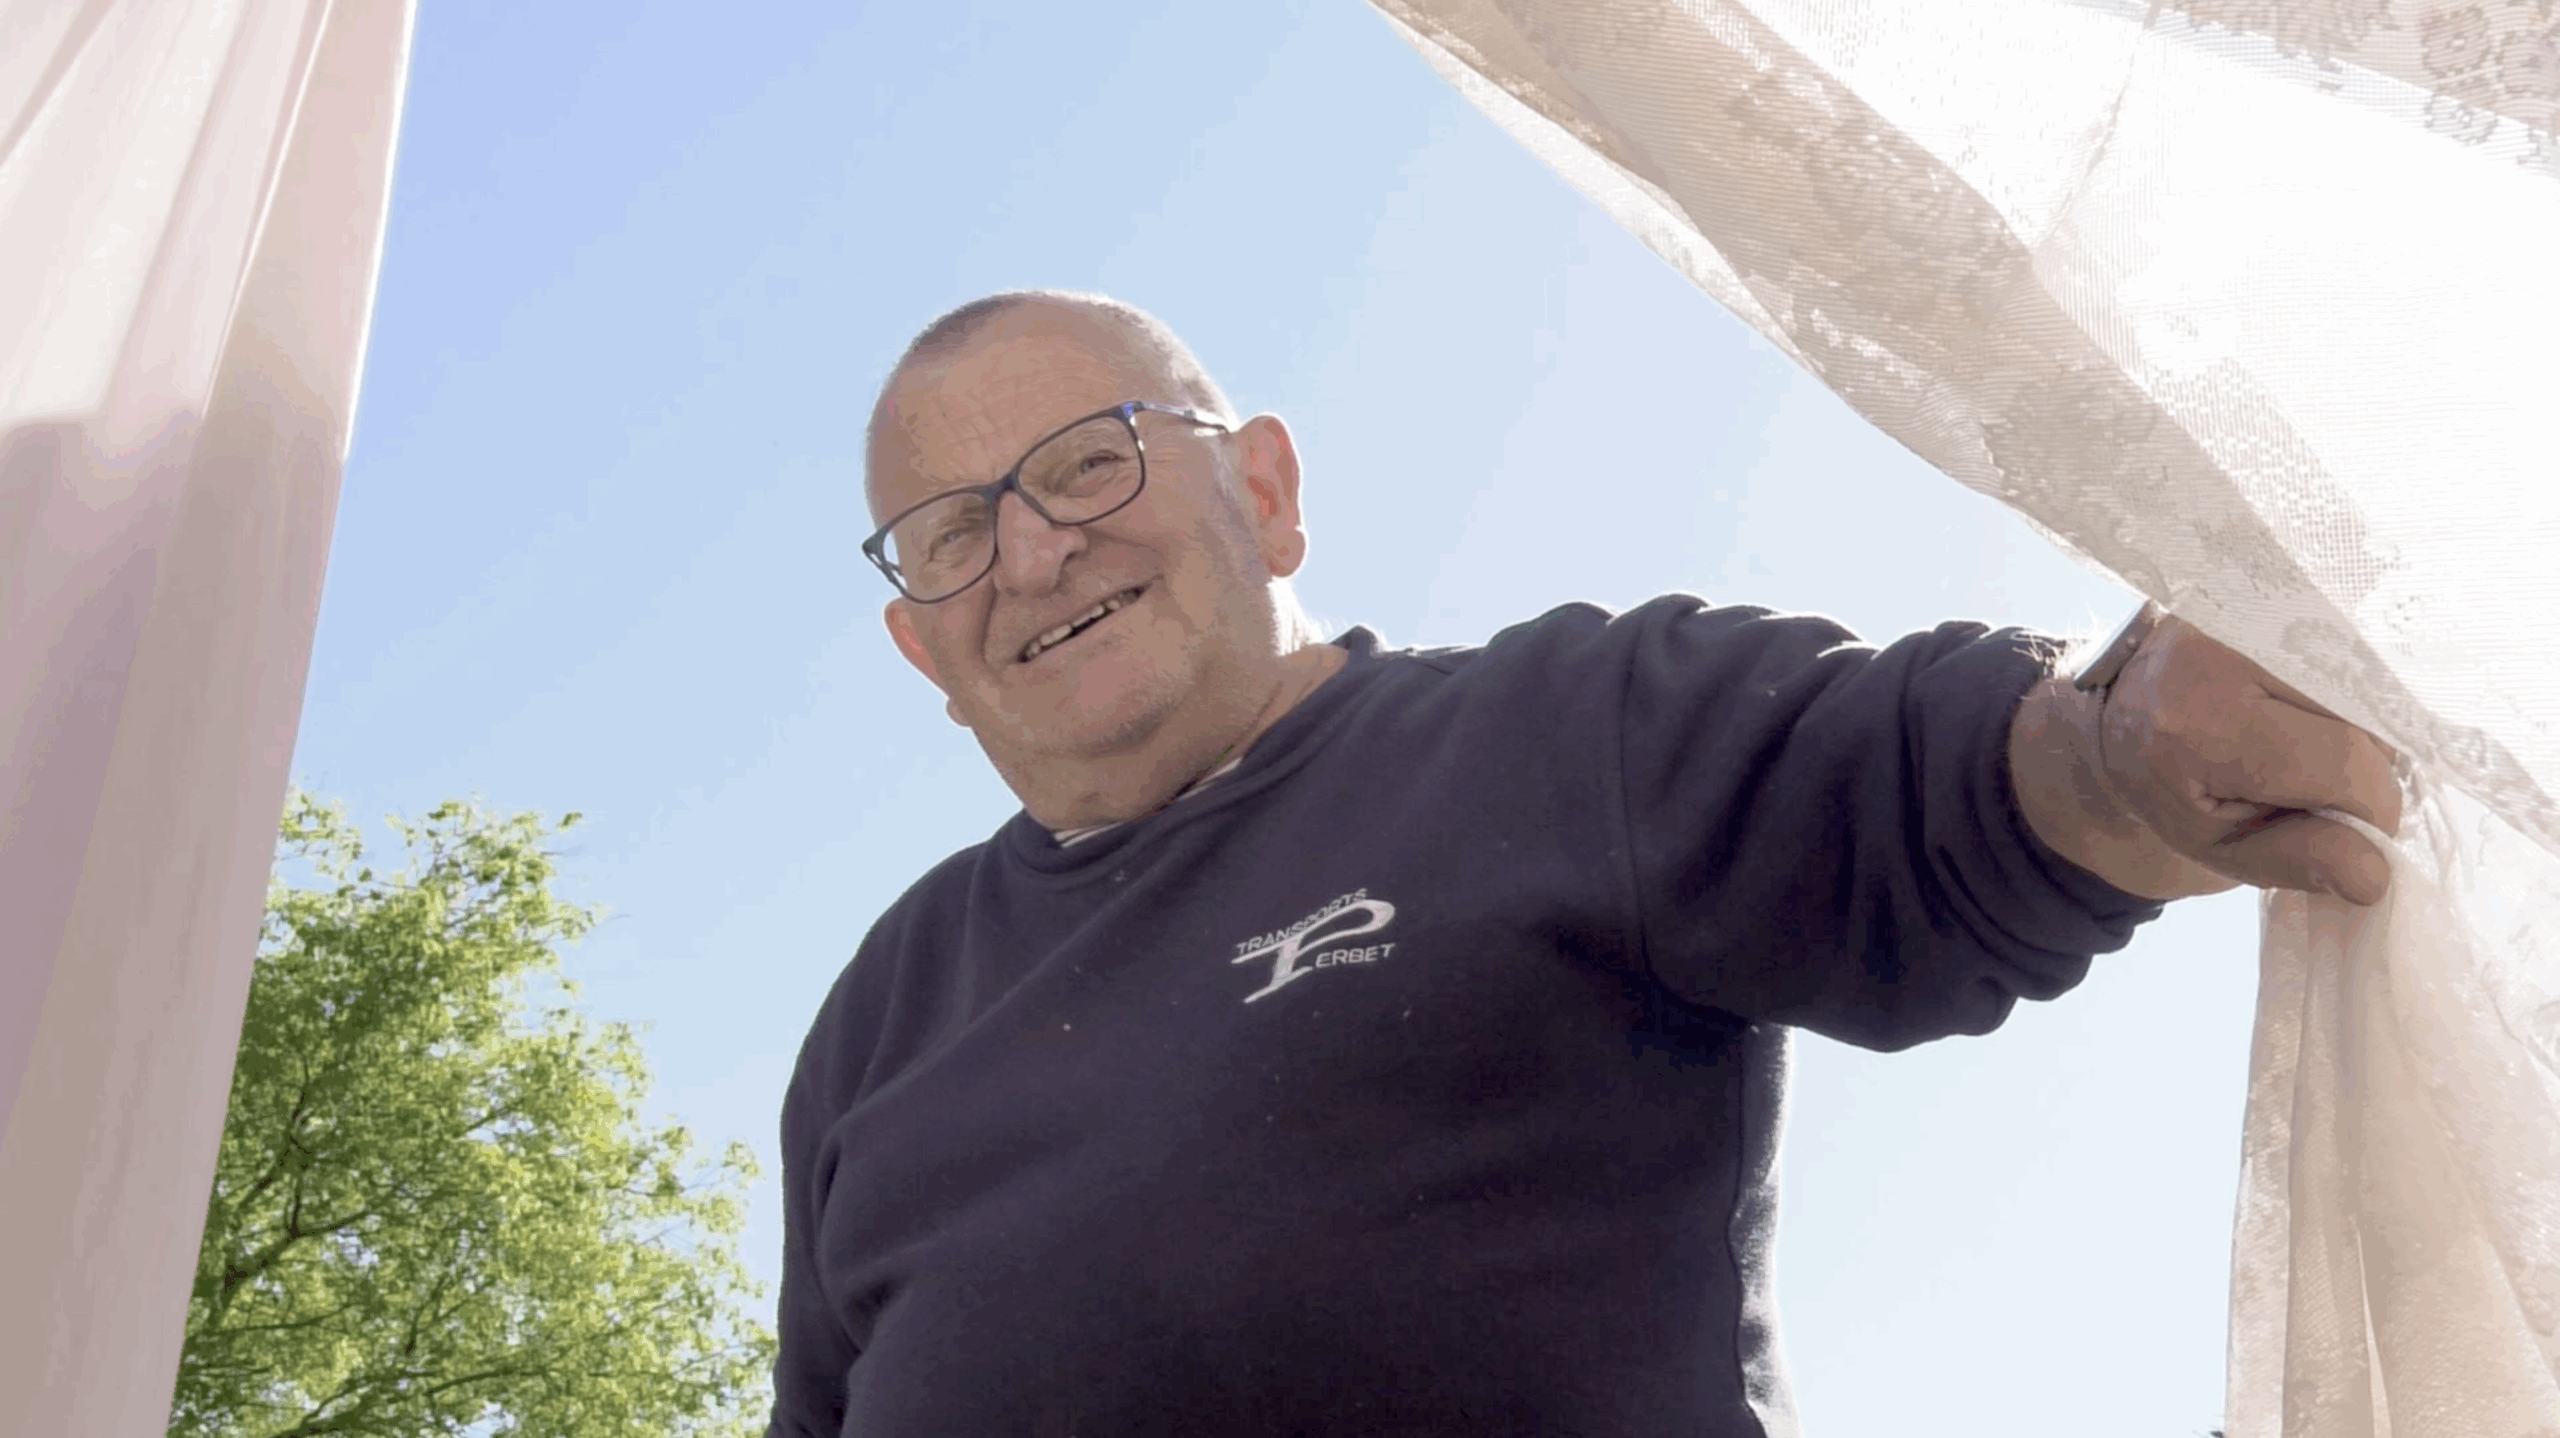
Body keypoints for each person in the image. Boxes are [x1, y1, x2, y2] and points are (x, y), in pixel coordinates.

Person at [766, 290, 2404, 1437]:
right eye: (953, 533)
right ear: (923, 650)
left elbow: (1933, 781)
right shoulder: (885, 1014)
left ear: (1263, 490)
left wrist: (2126, 740)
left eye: (1086, 461)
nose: (1033, 551)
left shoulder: (1561, 734)